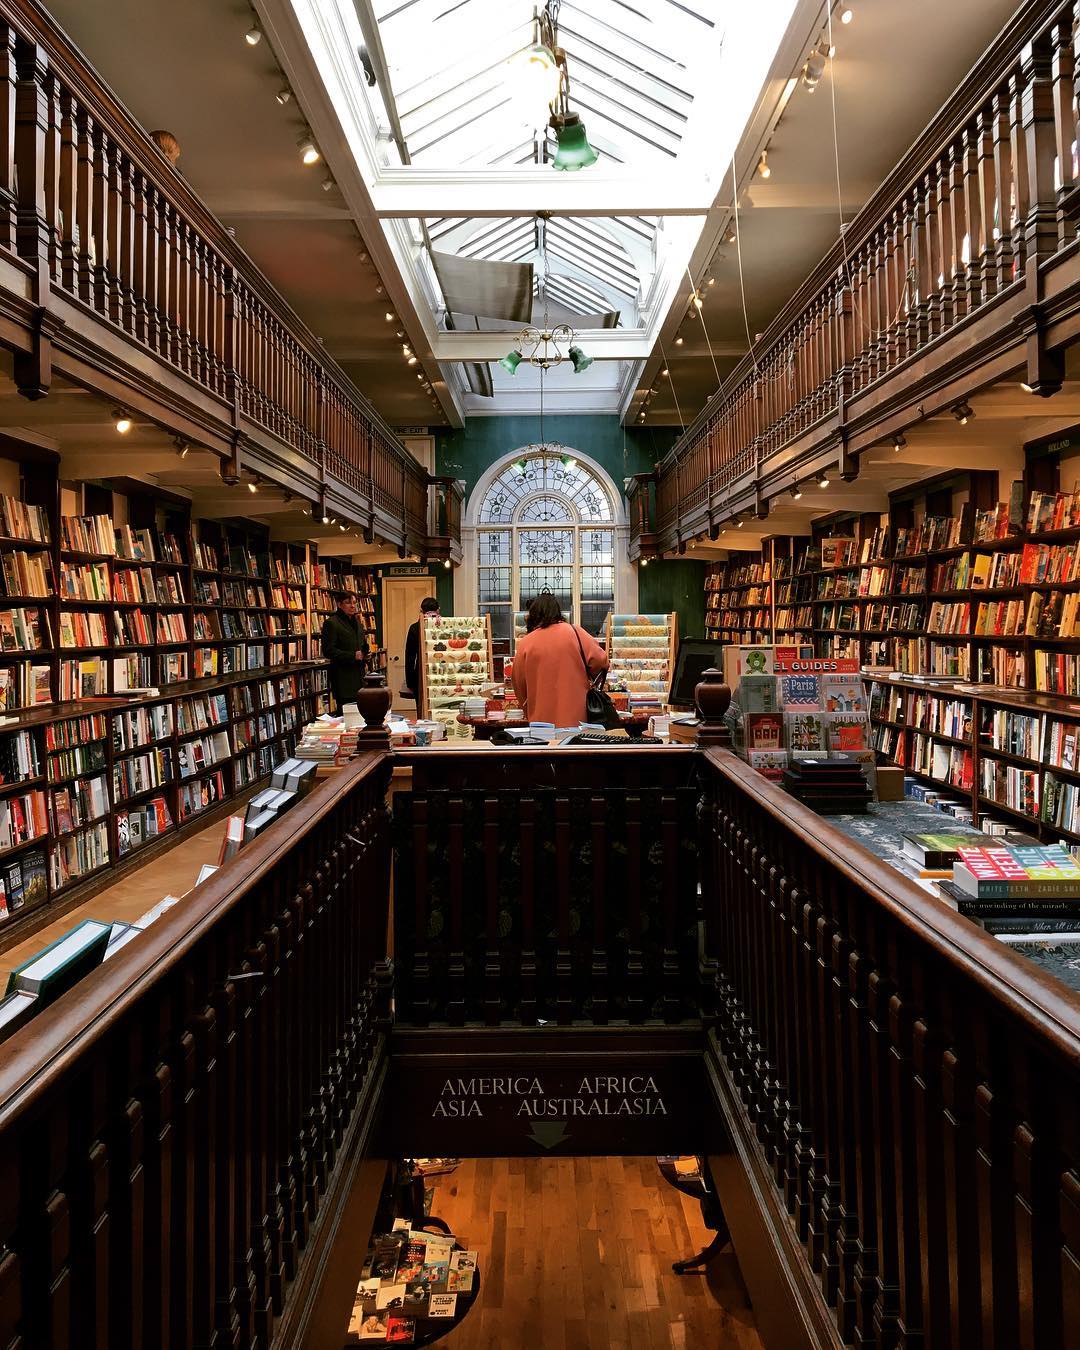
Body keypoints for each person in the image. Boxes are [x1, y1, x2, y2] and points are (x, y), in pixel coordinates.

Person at [511, 594, 608, 727]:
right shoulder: (575, 632)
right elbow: (601, 661)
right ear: (557, 611)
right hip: (578, 718)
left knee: (544, 746)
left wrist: (529, 709)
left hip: (541, 722)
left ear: (532, 615)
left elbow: (518, 685)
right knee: (576, 746)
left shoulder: (526, 643)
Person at [321, 592, 368, 711]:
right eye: (348, 603)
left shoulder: (357, 623)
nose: (352, 606)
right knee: (347, 717)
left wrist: (365, 653)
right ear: (339, 604)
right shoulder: (332, 623)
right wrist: (353, 655)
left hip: (360, 678)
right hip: (344, 679)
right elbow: (328, 651)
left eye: (354, 603)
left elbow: (362, 644)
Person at [404, 596, 440, 706]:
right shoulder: (443, 625)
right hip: (441, 673)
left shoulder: (415, 628)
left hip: (420, 676)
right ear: (438, 610)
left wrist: (410, 682)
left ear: (421, 610)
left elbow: (410, 656)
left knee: (422, 707)